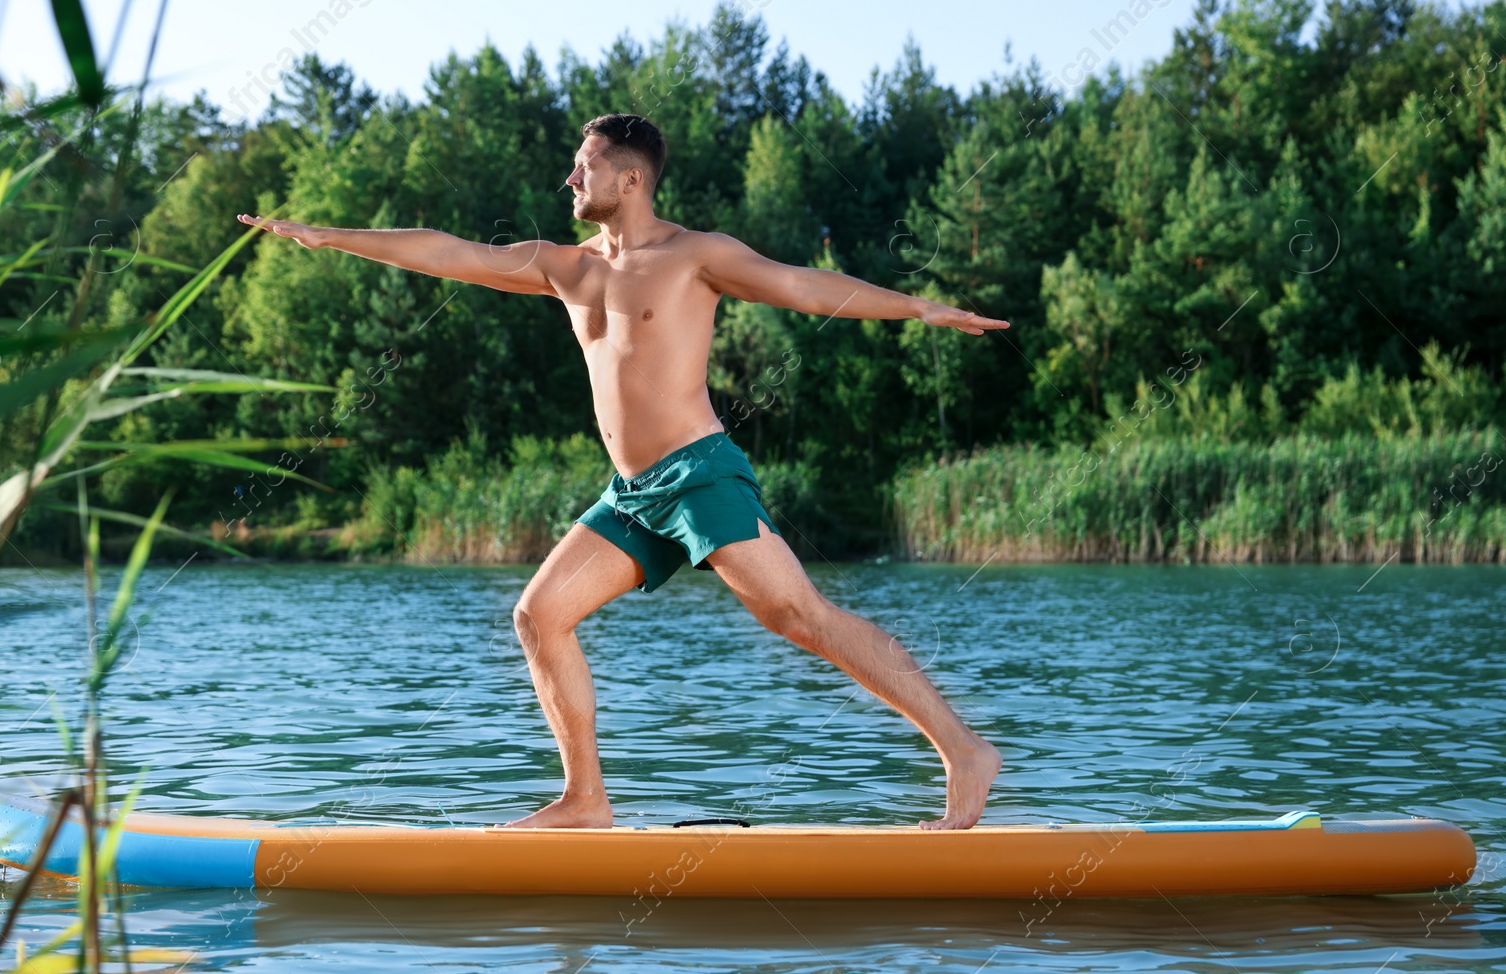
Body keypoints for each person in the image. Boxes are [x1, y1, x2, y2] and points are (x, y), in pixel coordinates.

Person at [238, 112, 1008, 829]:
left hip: (699, 474)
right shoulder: (564, 267)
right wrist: (329, 235)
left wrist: (917, 307)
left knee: (798, 614)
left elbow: (804, 286)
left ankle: (963, 750)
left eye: (584, 166)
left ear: (630, 178)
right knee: (538, 616)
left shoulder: (695, 256)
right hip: (633, 495)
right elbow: (448, 252)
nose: (571, 180)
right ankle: (585, 799)